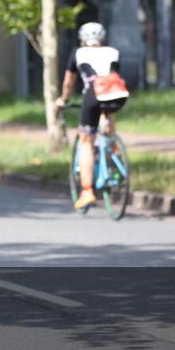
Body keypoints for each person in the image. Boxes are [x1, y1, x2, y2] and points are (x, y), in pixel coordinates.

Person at [55, 22, 129, 210]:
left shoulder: (78, 53)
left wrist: (63, 99)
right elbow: (112, 76)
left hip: (93, 94)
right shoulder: (113, 52)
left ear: (82, 38)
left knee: (86, 141)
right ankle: (114, 154)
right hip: (117, 94)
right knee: (107, 119)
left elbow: (68, 83)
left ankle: (87, 191)